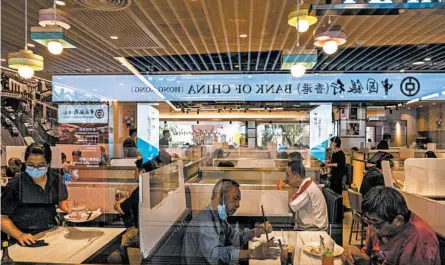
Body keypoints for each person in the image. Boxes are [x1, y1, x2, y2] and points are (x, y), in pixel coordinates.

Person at [182, 179, 279, 265]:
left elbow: (234, 238)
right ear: (220, 198)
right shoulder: (205, 221)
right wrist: (251, 253)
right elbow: (214, 256)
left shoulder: (219, 216)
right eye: (235, 199)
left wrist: (256, 231)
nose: (238, 205)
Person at [341, 187, 440, 265]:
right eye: (367, 219)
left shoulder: (420, 240)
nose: (371, 227)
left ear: (398, 220)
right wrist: (358, 256)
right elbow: (370, 257)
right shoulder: (375, 223)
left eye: (376, 223)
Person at [1, 143, 71, 246]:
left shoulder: (57, 179)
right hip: (25, 240)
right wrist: (20, 235)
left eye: (41, 165)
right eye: (30, 164)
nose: (35, 168)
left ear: (48, 163)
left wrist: (70, 209)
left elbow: (61, 200)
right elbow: (2, 218)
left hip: (52, 234)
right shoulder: (15, 185)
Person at [114, 158, 157, 247]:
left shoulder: (140, 190)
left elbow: (120, 208)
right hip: (153, 231)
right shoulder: (155, 183)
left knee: (117, 242)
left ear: (143, 171)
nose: (134, 173)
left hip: (142, 233)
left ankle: (123, 259)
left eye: (136, 170)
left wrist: (121, 200)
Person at [285, 161, 328, 231]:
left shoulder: (306, 189)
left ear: (297, 176)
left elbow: (291, 205)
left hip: (314, 231)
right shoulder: (307, 183)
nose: (286, 178)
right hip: (311, 227)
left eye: (288, 175)